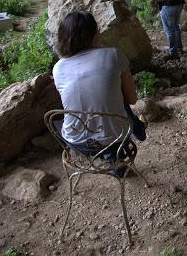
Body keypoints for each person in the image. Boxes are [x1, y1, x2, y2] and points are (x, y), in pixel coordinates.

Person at [52, 11, 145, 174]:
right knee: (118, 99)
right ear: (93, 33)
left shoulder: (58, 68)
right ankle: (120, 149)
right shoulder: (113, 55)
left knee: (74, 110)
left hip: (76, 142)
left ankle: (112, 154)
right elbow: (132, 99)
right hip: (115, 139)